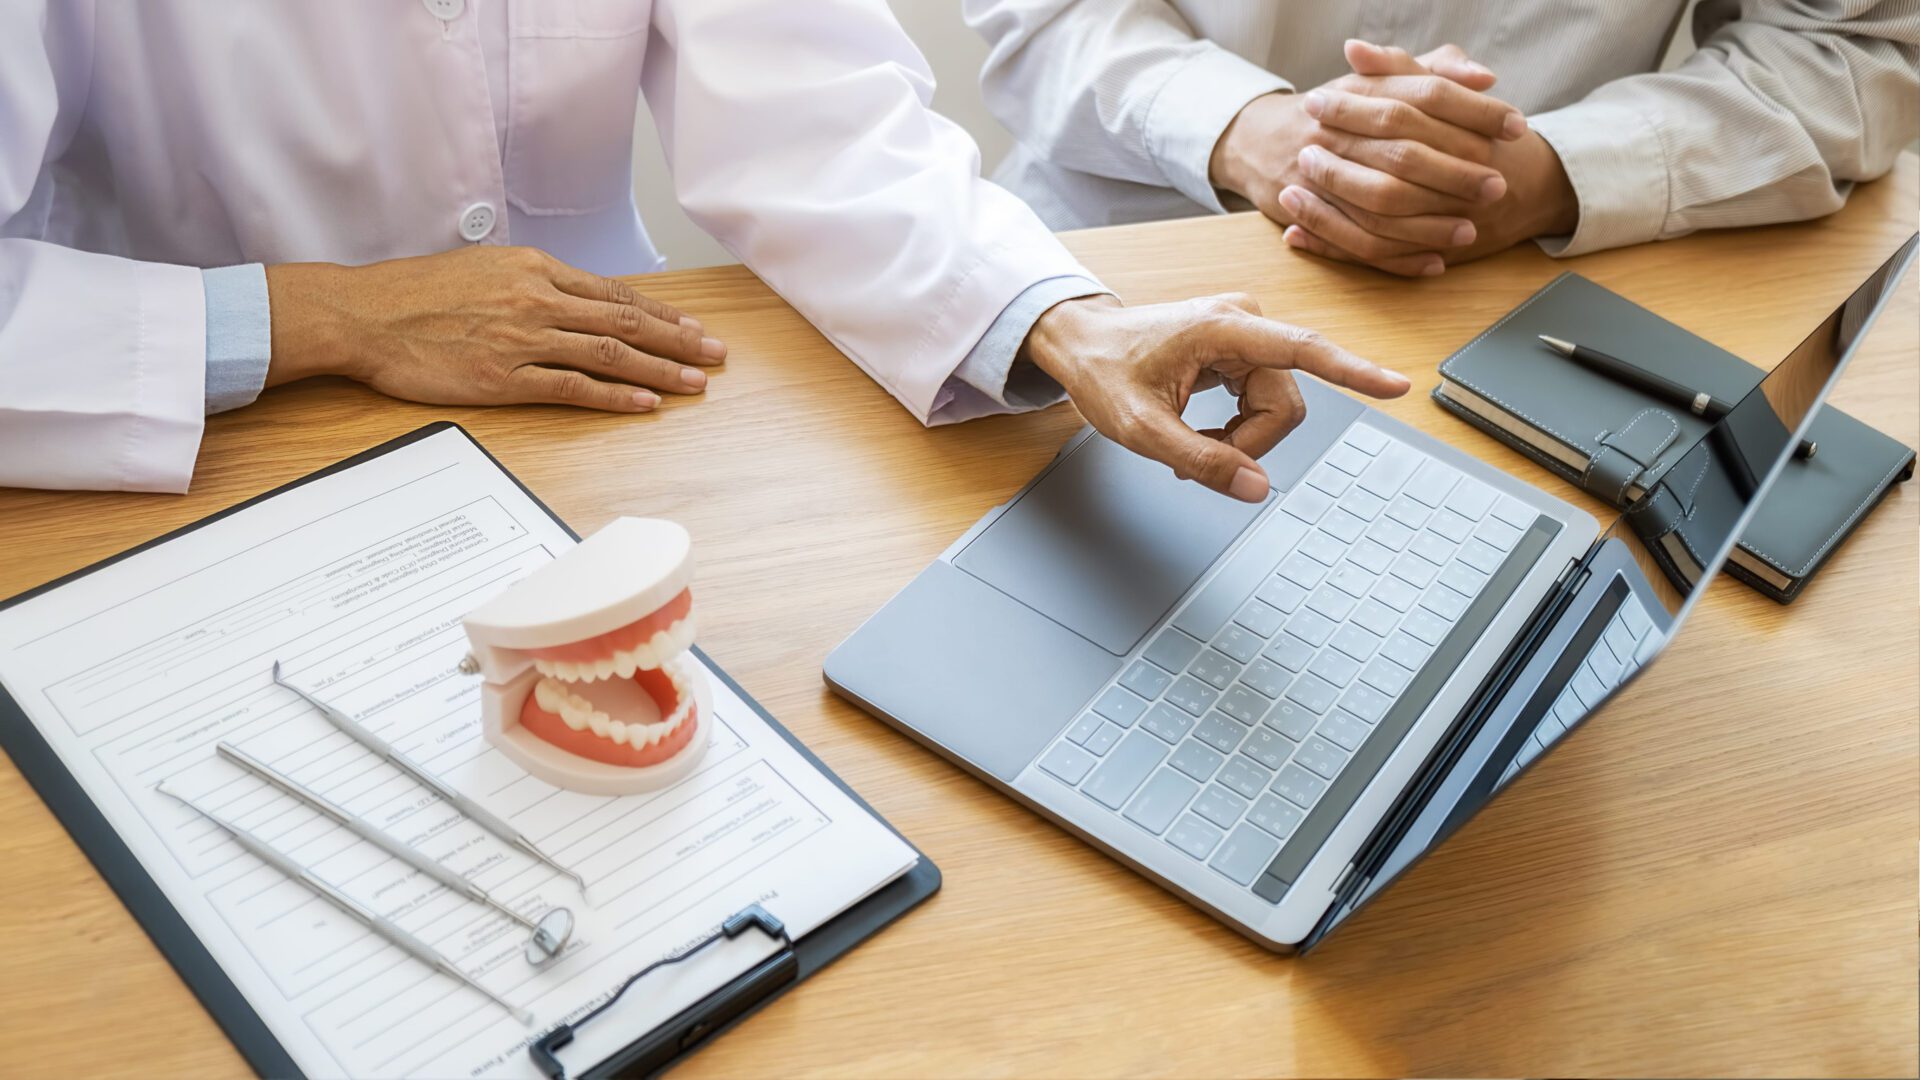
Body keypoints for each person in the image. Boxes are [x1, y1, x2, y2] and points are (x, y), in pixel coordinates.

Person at [0, 0, 1410, 501]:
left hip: (603, 413)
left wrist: (1059, 318)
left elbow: (816, 118)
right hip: (197, 443)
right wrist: (332, 317)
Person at [967, 1, 1919, 277]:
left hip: (1518, 295)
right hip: (1115, 252)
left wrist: (1555, 172)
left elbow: (1855, 47)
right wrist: (1256, 133)